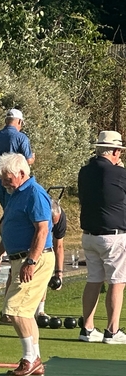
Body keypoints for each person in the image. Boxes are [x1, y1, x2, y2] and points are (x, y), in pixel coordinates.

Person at [0, 153, 55, 376]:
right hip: (21, 258)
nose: (4, 183)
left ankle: (30, 358)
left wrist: (31, 261)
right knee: (24, 312)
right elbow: (11, 228)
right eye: (2, 179)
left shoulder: (34, 193)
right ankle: (35, 359)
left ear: (22, 173)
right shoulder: (15, 194)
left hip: (34, 259)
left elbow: (42, 230)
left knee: (15, 310)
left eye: (7, 178)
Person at [77, 131, 126, 344]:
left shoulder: (84, 171)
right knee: (117, 282)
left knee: (94, 280)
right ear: (115, 151)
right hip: (113, 235)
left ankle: (87, 329)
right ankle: (112, 331)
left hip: (89, 235)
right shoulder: (119, 173)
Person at [0, 108, 34, 208]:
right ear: (19, 121)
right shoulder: (21, 137)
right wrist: (32, 159)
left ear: (6, 121)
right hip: (14, 179)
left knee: (6, 209)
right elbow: (28, 160)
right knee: (14, 210)